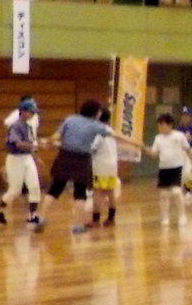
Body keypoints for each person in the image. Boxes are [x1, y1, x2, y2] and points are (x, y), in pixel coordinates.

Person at [39, 100, 137, 233]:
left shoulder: (70, 119)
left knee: (55, 188)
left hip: (64, 156)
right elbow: (116, 136)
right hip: (82, 159)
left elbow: (57, 136)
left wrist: (48, 141)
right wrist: (136, 143)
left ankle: (41, 218)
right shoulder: (96, 126)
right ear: (95, 112)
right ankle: (77, 225)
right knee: (80, 193)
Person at [0, 98, 43, 226]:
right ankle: (0, 210)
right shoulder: (15, 126)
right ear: (22, 111)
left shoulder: (29, 127)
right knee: (15, 190)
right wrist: (36, 145)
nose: (32, 114)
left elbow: (30, 144)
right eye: (30, 112)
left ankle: (32, 215)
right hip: (15, 159)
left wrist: (35, 156)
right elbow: (18, 144)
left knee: (34, 186)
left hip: (27, 158)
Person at [150, 113, 191, 227]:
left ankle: (182, 216)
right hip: (164, 169)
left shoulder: (179, 136)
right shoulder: (158, 138)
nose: (160, 127)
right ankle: (165, 217)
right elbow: (154, 153)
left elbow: (187, 149)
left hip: (176, 168)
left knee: (176, 192)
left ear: (169, 125)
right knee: (164, 194)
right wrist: (145, 149)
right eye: (159, 125)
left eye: (162, 125)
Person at [89, 123, 121, 228]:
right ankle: (111, 218)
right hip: (113, 166)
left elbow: (92, 149)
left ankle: (96, 219)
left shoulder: (98, 133)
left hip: (100, 166)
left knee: (97, 192)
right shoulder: (112, 131)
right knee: (111, 192)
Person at [177, 107, 192, 200]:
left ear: (191, 117)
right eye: (183, 115)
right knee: (184, 174)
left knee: (189, 171)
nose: (185, 117)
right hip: (182, 152)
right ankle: (189, 190)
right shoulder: (179, 129)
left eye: (187, 115)